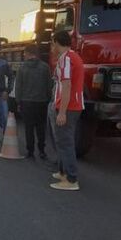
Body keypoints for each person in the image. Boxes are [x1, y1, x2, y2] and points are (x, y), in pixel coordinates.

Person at [49, 30, 84, 191]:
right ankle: (63, 172)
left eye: (52, 43)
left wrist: (62, 111)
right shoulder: (74, 56)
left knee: (65, 142)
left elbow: (67, 85)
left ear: (57, 42)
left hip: (68, 107)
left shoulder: (65, 59)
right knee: (63, 140)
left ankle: (71, 179)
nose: (52, 46)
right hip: (73, 105)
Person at [15, 44, 52, 160]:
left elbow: (19, 87)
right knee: (41, 127)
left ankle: (30, 151)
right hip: (41, 102)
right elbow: (49, 85)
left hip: (27, 102)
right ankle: (42, 150)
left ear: (29, 53)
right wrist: (48, 99)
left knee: (29, 128)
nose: (24, 55)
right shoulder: (45, 67)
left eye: (25, 53)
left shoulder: (22, 68)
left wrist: (18, 101)